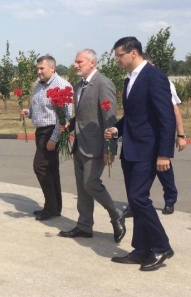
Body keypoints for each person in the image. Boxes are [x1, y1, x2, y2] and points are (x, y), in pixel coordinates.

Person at [105, 37, 176, 272]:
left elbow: (166, 118)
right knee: (135, 201)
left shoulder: (154, 76)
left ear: (133, 53)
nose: (117, 60)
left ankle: (161, 246)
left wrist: (164, 154)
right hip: (132, 150)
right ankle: (141, 249)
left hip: (148, 150)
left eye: (120, 55)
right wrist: (117, 129)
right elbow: (134, 117)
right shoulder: (130, 79)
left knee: (138, 199)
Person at [57, 49, 126, 242]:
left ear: (92, 62)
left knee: (91, 183)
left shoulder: (103, 84)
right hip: (80, 143)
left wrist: (110, 148)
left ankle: (116, 214)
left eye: (79, 62)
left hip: (96, 145)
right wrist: (70, 124)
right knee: (82, 187)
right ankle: (84, 226)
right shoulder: (79, 86)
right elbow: (83, 115)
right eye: (75, 62)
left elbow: (109, 118)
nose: (75, 65)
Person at [122, 53, 186, 218]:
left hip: (158, 140)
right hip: (143, 140)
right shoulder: (130, 80)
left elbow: (173, 111)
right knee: (139, 184)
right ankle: (136, 204)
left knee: (164, 172)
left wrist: (181, 135)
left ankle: (170, 199)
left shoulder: (159, 80)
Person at [20, 55, 73, 221]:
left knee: (40, 167)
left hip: (52, 131)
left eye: (42, 68)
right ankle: (54, 207)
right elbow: (38, 108)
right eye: (37, 68)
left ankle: (51, 207)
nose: (39, 71)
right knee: (50, 169)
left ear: (52, 68)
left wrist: (54, 138)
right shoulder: (39, 85)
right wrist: (28, 112)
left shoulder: (62, 86)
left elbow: (64, 117)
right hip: (41, 130)